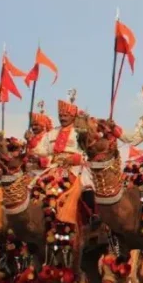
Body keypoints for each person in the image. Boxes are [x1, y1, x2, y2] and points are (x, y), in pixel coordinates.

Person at [33, 89, 111, 227]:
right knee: (35, 186)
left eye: (66, 115)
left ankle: (94, 215)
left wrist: (76, 158)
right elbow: (40, 151)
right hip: (54, 168)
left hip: (77, 167)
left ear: (73, 116)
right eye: (60, 115)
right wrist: (36, 156)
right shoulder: (51, 134)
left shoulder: (80, 132)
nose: (62, 118)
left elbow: (89, 150)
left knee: (87, 185)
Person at [24, 100, 53, 174]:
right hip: (29, 171)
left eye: (36, 125)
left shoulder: (48, 137)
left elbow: (50, 155)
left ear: (43, 125)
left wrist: (39, 160)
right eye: (32, 125)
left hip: (44, 171)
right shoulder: (32, 137)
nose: (33, 127)